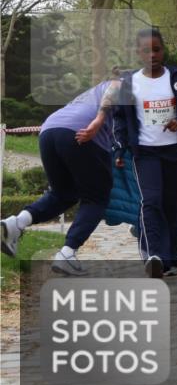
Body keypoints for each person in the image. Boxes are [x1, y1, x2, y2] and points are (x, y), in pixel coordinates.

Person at [1, 78, 120, 275]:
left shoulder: (96, 89)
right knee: (96, 198)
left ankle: (16, 223)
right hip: (81, 133)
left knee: (63, 194)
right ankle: (67, 253)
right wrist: (99, 120)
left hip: (49, 129)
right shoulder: (131, 82)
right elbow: (117, 86)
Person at [112, 28, 177, 278]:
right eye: (146, 50)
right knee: (151, 201)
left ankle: (171, 257)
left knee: (173, 205)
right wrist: (120, 147)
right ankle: (153, 256)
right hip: (145, 153)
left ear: (163, 50)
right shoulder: (130, 83)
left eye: (157, 49)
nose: (152, 54)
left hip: (175, 151)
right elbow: (119, 117)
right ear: (138, 53)